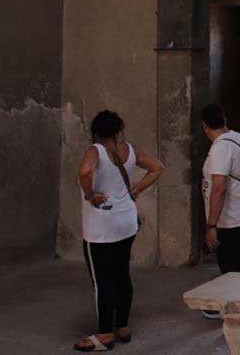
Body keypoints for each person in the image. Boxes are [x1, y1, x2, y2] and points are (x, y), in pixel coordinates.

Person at [75, 110, 164, 352]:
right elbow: (157, 167)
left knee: (102, 281)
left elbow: (84, 171)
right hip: (127, 221)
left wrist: (91, 194)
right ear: (118, 131)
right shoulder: (130, 150)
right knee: (121, 274)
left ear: (96, 132)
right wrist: (136, 190)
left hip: (101, 226)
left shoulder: (95, 151)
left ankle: (104, 334)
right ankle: (122, 326)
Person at [200, 103, 240, 319]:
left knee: (233, 270)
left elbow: (219, 188)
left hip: (232, 219)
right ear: (225, 120)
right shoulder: (238, 138)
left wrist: (212, 226)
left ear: (205, 126)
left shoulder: (220, 148)